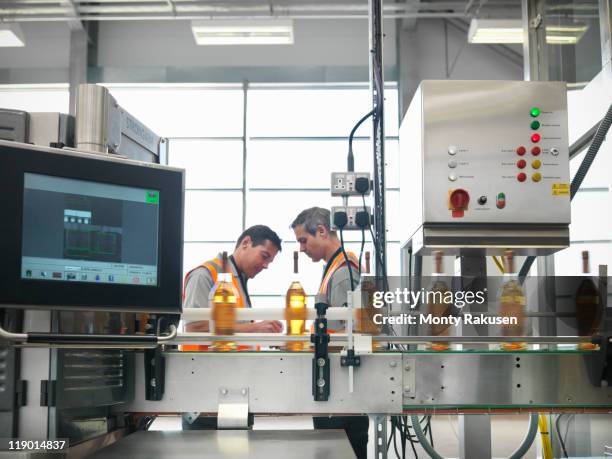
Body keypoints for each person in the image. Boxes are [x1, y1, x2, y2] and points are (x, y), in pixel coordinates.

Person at [181, 224, 283, 430]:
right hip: (206, 397)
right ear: (246, 243)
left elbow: (233, 328)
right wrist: (255, 329)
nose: (265, 265)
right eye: (264, 256)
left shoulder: (238, 280)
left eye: (269, 261)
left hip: (234, 393)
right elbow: (194, 327)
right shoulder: (205, 275)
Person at [291, 207, 368, 459]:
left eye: (304, 240)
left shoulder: (344, 272)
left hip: (341, 396)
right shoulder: (335, 268)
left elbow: (345, 335)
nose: (301, 248)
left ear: (322, 231)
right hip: (336, 393)